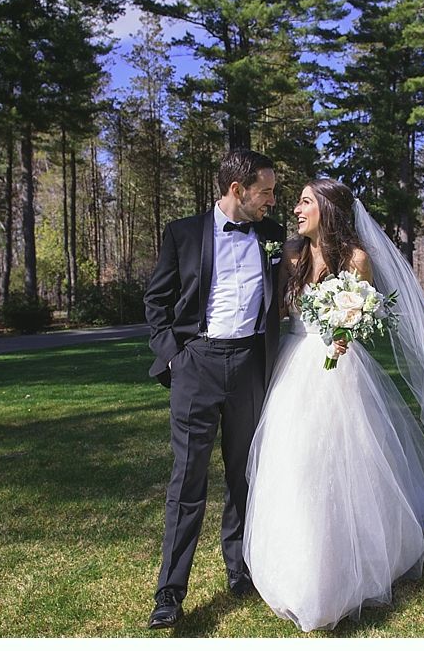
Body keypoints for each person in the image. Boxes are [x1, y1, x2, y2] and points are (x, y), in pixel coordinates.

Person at [243, 178, 424, 632]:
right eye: (296, 201)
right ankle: (298, 560)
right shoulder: (293, 257)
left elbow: (361, 316)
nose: (296, 209)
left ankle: (346, 565)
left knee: (343, 464)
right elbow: (278, 312)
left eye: (305, 201)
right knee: (292, 463)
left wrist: (344, 331)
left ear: (328, 210)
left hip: (339, 370)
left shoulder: (356, 259)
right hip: (293, 366)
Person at [143, 149, 289, 629]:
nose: (272, 199)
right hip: (197, 366)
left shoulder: (272, 236)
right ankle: (170, 591)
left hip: (250, 365)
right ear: (236, 190)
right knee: (188, 480)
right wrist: (174, 360)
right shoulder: (182, 233)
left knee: (244, 476)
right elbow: (157, 300)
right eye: (265, 191)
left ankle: (241, 569)